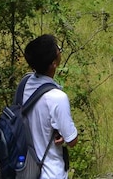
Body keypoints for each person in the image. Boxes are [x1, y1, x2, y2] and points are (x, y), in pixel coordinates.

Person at [22, 34, 78, 179]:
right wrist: (64, 135)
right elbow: (72, 140)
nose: (59, 50)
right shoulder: (57, 98)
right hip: (51, 173)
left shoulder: (25, 84)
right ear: (53, 63)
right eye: (58, 49)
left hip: (26, 169)